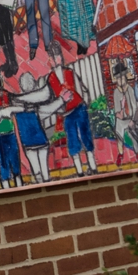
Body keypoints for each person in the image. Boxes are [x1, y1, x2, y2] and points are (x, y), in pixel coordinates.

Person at [46, 43, 97, 177]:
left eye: (56, 57)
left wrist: (85, 103)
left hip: (79, 109)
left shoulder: (69, 72)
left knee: (86, 137)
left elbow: (82, 89)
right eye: (52, 58)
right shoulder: (50, 79)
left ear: (60, 58)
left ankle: (93, 167)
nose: (55, 60)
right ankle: (79, 171)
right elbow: (52, 99)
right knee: (73, 141)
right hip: (67, 114)